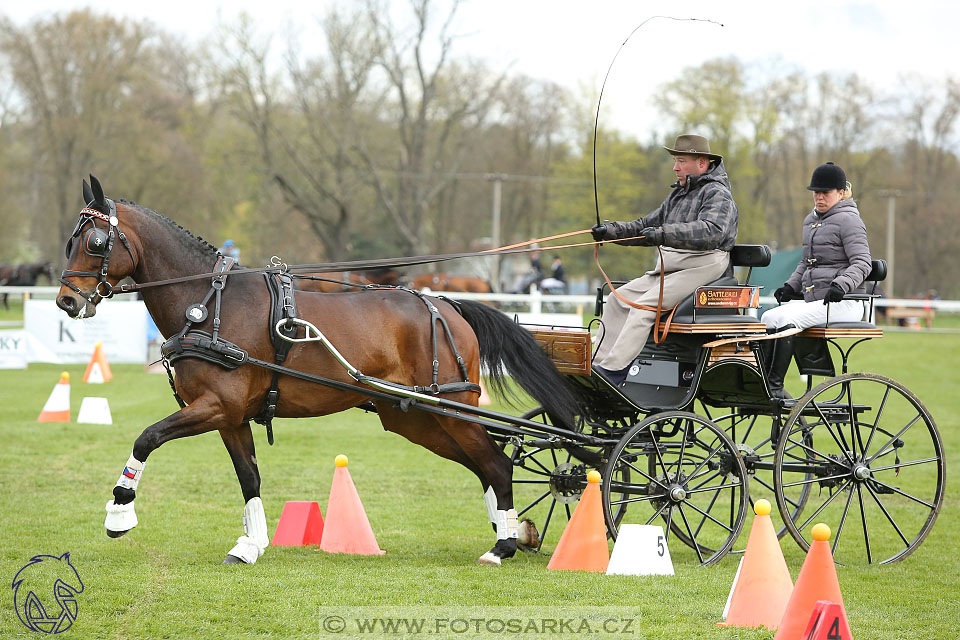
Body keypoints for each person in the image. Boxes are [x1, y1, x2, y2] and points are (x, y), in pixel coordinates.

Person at [590, 134, 739, 386]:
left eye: (681, 161)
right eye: (675, 161)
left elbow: (711, 231)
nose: (675, 167)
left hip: (704, 265)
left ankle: (614, 373)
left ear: (701, 163)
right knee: (617, 300)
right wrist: (611, 231)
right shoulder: (677, 196)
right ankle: (597, 366)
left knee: (642, 307)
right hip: (672, 265)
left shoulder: (717, 194)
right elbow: (646, 226)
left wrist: (663, 234)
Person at [760, 162, 872, 397]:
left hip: (845, 303)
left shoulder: (850, 221)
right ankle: (762, 380)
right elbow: (805, 263)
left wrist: (842, 285)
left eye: (826, 193)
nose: (819, 197)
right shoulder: (810, 221)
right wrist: (791, 285)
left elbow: (862, 263)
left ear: (841, 193)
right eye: (816, 192)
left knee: (789, 321)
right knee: (769, 317)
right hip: (818, 301)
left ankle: (774, 386)